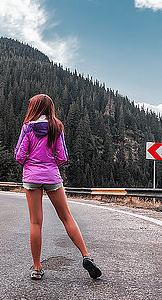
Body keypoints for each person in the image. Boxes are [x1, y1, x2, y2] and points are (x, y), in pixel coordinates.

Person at [14, 94, 102, 280]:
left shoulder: (27, 128)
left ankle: (37, 268)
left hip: (31, 177)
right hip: (52, 176)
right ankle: (86, 256)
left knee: (35, 222)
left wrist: (30, 162)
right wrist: (50, 163)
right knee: (67, 217)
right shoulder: (57, 127)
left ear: (34, 108)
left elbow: (19, 155)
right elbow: (62, 156)